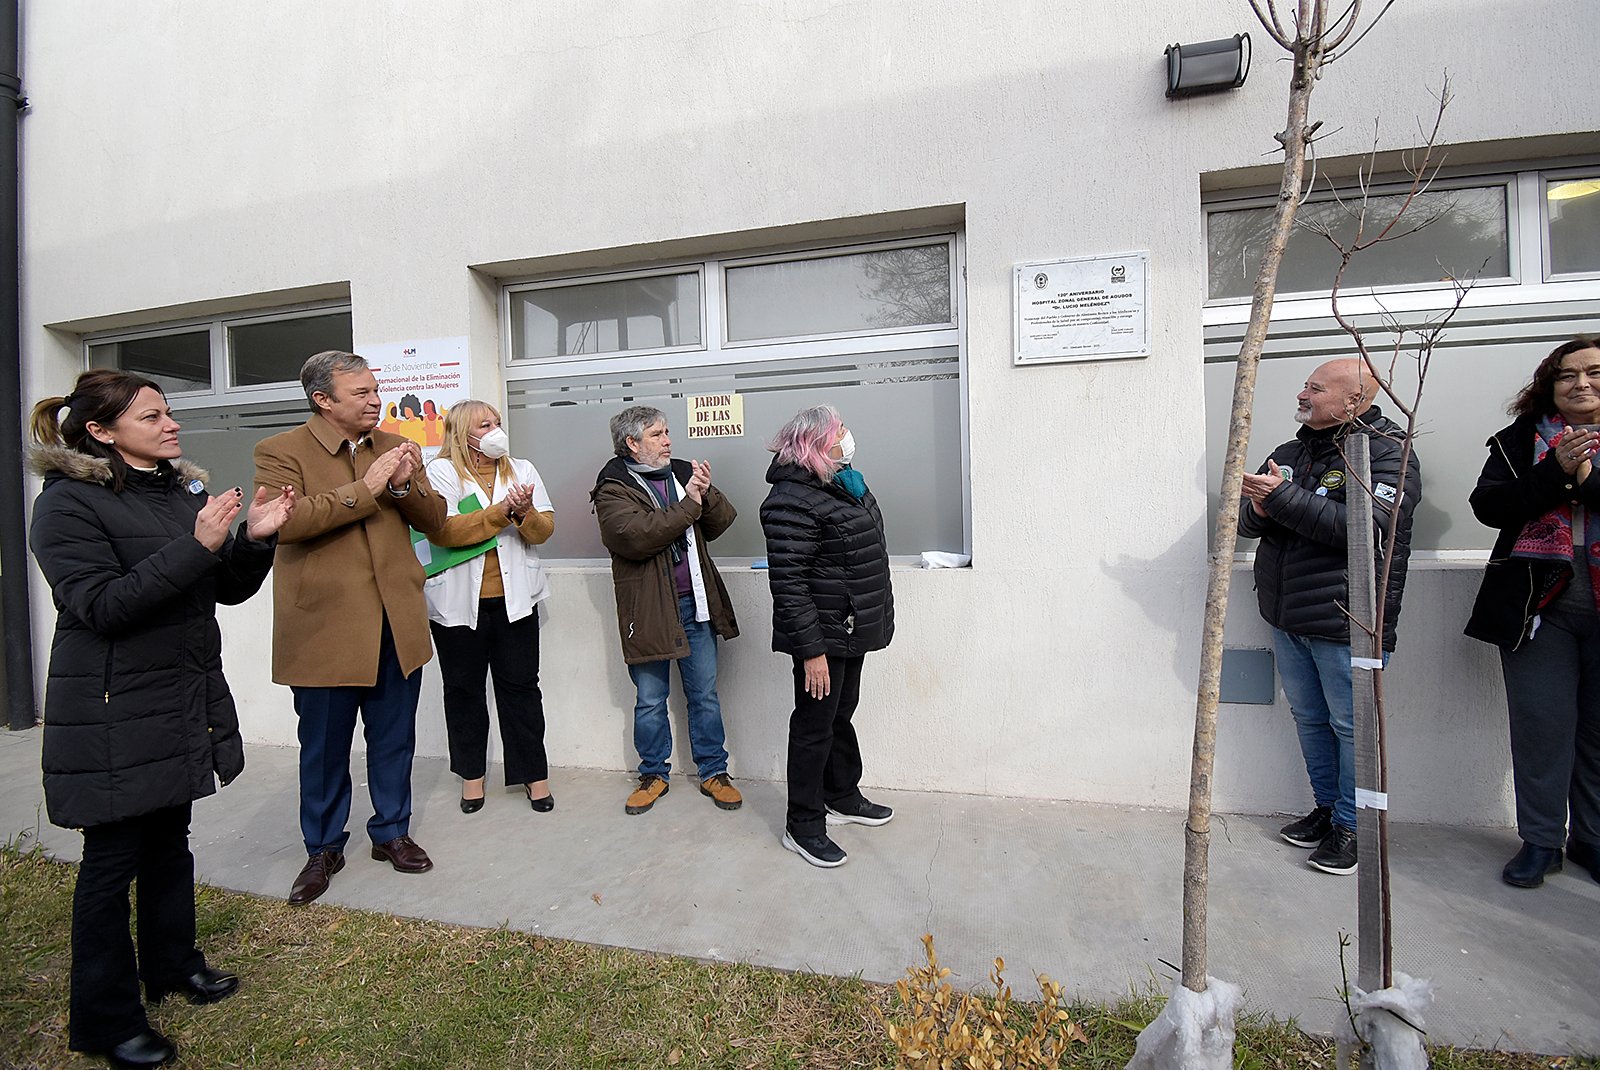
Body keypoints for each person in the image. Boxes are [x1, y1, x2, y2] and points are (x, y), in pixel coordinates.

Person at [27, 370, 294, 1068]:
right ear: (100, 431)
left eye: (168, 412)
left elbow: (223, 589)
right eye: (151, 416)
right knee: (111, 864)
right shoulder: (66, 504)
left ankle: (172, 965)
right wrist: (197, 545)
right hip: (111, 707)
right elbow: (100, 606)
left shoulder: (179, 492)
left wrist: (253, 539)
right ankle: (106, 1020)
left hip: (179, 695)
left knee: (171, 842)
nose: (171, 424)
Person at [253, 351, 446, 905]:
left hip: (395, 623)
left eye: (375, 389)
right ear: (323, 400)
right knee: (323, 748)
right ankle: (322, 847)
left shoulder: (394, 446)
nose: (375, 400)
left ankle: (392, 832)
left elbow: (436, 522)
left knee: (394, 739)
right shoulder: (280, 451)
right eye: (360, 393)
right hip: (325, 630)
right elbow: (288, 523)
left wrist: (405, 486)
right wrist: (370, 486)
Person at [1239, 358, 1422, 876]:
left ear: (1354, 401)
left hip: (1349, 621)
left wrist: (1281, 498)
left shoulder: (1389, 453)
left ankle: (1353, 825)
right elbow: (1250, 524)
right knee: (1310, 718)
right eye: (1306, 385)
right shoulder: (1289, 453)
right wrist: (1262, 507)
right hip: (1288, 615)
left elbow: (1367, 529)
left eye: (1315, 388)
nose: (1302, 394)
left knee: (1352, 727)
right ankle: (1327, 809)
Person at [1465, 336, 1600, 888]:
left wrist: (1587, 478)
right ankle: (1542, 841)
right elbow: (1488, 506)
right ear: (1550, 385)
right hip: (1538, 608)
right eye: (1567, 375)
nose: (1581, 383)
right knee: (1541, 726)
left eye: (1594, 372)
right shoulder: (1520, 439)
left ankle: (1591, 839)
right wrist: (1556, 472)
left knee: (1598, 732)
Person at [591, 405, 744, 815]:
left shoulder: (680, 473)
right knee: (650, 699)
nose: (668, 441)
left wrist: (706, 493)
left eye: (667, 432)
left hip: (695, 603)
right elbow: (637, 536)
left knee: (704, 695)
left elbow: (720, 523)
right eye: (657, 434)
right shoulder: (613, 487)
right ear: (632, 443)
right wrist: (690, 505)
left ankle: (714, 771)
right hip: (648, 610)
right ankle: (653, 774)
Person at [760, 405, 895, 868]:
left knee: (841, 714)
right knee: (813, 726)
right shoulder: (790, 500)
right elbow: (789, 583)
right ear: (816, 443)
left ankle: (841, 795)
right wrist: (811, 651)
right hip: (821, 635)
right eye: (840, 431)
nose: (847, 437)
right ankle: (802, 824)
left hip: (850, 627)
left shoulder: (844, 483)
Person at [423, 401, 556, 813]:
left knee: (522, 690)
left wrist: (525, 513)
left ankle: (534, 776)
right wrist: (500, 513)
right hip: (457, 606)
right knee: (463, 691)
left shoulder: (522, 469)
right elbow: (444, 531)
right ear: (464, 433)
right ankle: (472, 778)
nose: (496, 429)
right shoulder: (440, 472)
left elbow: (544, 531)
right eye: (485, 424)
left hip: (516, 603)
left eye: (497, 422)